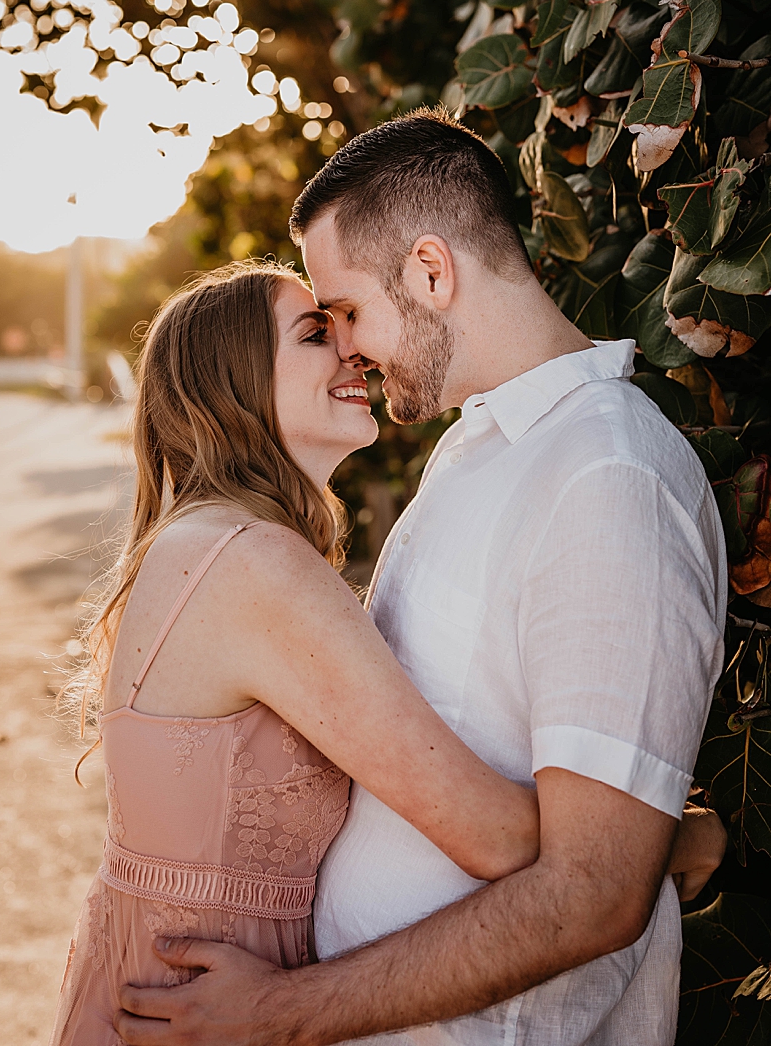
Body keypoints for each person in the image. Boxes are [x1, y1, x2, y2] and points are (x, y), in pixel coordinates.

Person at [115, 108, 729, 1045]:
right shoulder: (477, 452)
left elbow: (597, 894)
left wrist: (281, 1010)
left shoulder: (610, 476)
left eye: (348, 311)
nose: (347, 346)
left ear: (432, 272)